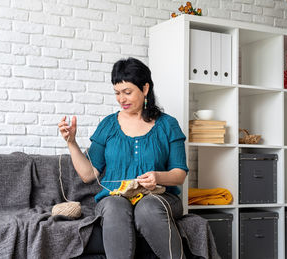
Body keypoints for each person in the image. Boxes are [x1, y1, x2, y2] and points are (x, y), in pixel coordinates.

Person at [58, 57, 189, 259]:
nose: (122, 99)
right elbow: (88, 174)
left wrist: (157, 177)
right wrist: (71, 142)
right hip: (115, 198)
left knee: (148, 207)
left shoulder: (168, 125)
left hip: (160, 197)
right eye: (117, 93)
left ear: (145, 89)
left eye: (128, 92)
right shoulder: (109, 125)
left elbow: (179, 174)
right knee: (114, 205)